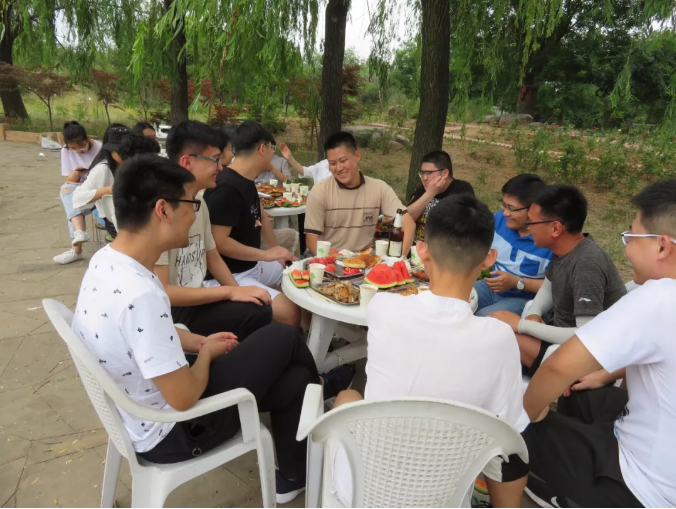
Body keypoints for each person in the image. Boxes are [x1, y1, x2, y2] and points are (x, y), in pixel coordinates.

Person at [71, 154, 318, 504]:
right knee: (284, 336)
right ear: (163, 210)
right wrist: (205, 354)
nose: (196, 214)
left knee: (295, 379)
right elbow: (184, 397)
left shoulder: (108, 261)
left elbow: (143, 336)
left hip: (140, 410)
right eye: (192, 203)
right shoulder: (140, 294)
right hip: (174, 431)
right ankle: (323, 395)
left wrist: (198, 341)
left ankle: (294, 474)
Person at [328, 195, 529, 507]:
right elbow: (510, 433)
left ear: (422, 250)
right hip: (442, 495)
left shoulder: (383, 307)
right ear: (489, 258)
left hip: (359, 492)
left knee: (348, 397)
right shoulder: (500, 338)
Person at [521, 179, 676, 508]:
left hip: (644, 484)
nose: (625, 246)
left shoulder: (660, 297)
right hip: (655, 443)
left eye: (631, 235)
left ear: (662, 246)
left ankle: (574, 494)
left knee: (512, 420)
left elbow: (560, 365)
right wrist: (607, 374)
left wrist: (528, 413)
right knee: (581, 388)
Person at [490, 184, 626, 377]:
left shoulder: (587, 263)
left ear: (555, 228)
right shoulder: (564, 249)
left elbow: (587, 334)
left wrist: (522, 325)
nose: (528, 228)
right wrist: (534, 314)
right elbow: (548, 288)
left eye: (531, 223)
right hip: (561, 334)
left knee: (498, 336)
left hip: (591, 356)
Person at [155, 120, 273, 340]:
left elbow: (213, 257)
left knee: (258, 306)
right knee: (260, 314)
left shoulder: (199, 202)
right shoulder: (162, 211)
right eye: (215, 159)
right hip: (172, 311)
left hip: (198, 298)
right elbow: (164, 291)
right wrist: (230, 291)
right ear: (187, 162)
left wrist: (238, 291)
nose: (220, 167)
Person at [204, 121, 301, 327]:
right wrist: (265, 255)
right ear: (262, 149)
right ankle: (284, 339)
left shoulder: (246, 180)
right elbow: (219, 242)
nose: (273, 154)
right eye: (272, 148)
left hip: (250, 266)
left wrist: (277, 252)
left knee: (297, 276)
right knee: (290, 311)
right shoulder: (226, 187)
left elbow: (262, 218)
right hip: (228, 275)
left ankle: (311, 337)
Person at [304, 131, 415, 255]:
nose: (339, 168)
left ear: (357, 156)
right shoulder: (319, 192)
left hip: (366, 257)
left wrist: (401, 259)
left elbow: (408, 223)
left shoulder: (379, 188)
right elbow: (311, 240)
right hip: (330, 258)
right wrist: (331, 260)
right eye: (333, 163)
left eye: (343, 160)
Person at [474, 174, 552, 317]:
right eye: (503, 205)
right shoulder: (500, 219)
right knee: (453, 299)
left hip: (525, 299)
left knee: (484, 318)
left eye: (511, 208)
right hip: (490, 287)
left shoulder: (548, 240)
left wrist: (517, 282)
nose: (505, 213)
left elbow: (557, 289)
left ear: (534, 210)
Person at [55, 122, 103, 264]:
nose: (79, 150)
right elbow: (69, 180)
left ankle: (76, 247)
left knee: (69, 196)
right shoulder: (66, 151)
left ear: (87, 138)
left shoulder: (100, 149)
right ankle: (79, 233)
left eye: (81, 145)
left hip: (97, 188)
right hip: (81, 188)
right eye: (73, 148)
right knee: (66, 190)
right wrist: (77, 173)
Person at [406, 150, 475, 243]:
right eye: (422, 173)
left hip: (444, 249)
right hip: (415, 247)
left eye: (428, 173)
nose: (424, 178)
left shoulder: (461, 189)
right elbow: (404, 218)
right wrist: (429, 194)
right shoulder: (422, 190)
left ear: (444, 173)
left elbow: (460, 226)